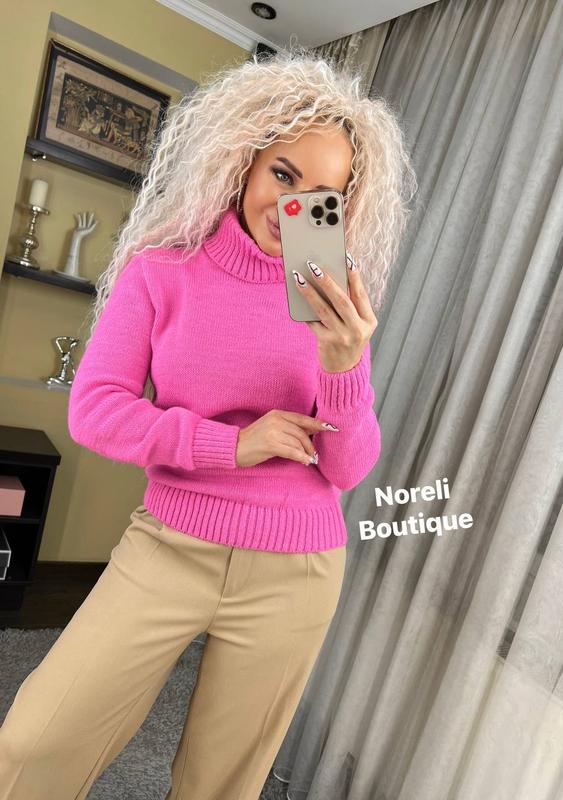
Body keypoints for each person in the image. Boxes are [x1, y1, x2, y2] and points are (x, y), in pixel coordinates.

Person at [0, 47, 417, 800]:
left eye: (324, 195)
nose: (293, 206)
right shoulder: (162, 270)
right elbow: (96, 409)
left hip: (297, 568)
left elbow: (348, 468)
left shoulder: (331, 299)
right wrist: (233, 444)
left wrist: (345, 363)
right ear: (244, 161)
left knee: (221, 785)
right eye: (283, 175)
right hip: (170, 542)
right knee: (34, 743)